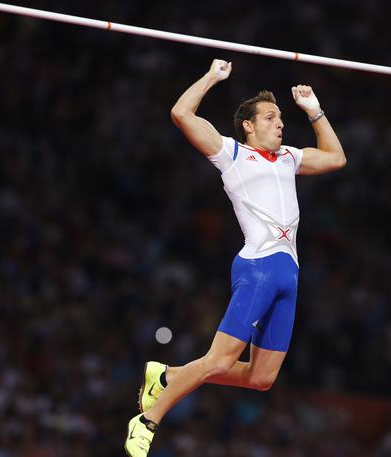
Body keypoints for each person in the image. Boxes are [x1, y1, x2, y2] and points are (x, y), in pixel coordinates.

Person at [124, 58, 346, 456]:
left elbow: (335, 158)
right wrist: (211, 76)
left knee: (261, 378)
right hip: (258, 268)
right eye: (272, 117)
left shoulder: (289, 158)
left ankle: (168, 373)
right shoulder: (231, 154)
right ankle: (147, 419)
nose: (281, 123)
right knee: (219, 360)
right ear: (249, 125)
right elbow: (180, 113)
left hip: (289, 276)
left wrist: (315, 111)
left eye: (281, 118)